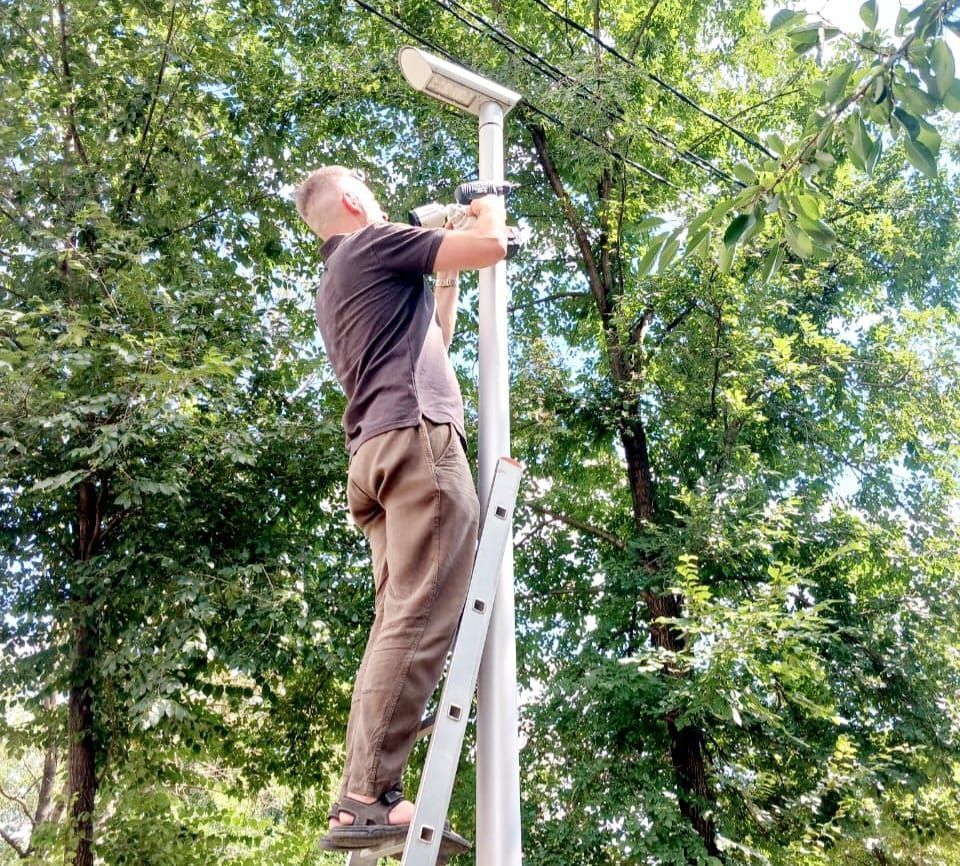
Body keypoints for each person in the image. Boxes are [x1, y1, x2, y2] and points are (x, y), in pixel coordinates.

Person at [292, 166, 508, 852]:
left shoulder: (337, 279)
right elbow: (492, 247)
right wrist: (485, 205)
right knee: (421, 612)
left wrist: (443, 273)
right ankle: (364, 795)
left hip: (375, 457)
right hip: (417, 443)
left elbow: (435, 337)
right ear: (353, 200)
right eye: (370, 190)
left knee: (397, 622)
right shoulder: (376, 241)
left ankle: (365, 797)